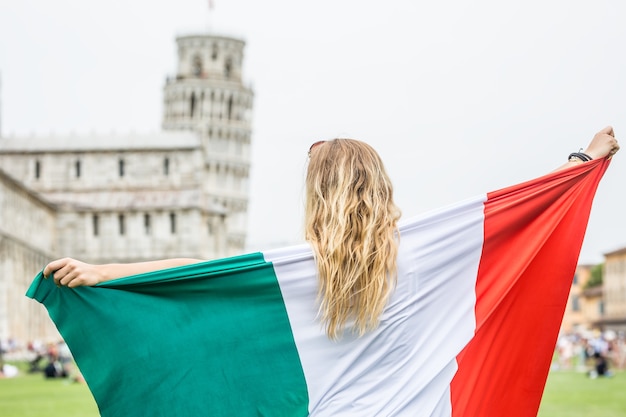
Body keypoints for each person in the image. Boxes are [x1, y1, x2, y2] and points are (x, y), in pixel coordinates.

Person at [43, 126, 619, 339]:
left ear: (319, 196)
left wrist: (100, 273)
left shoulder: (297, 267)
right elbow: (526, 212)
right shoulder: (427, 247)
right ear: (381, 185)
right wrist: (584, 162)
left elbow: (191, 276)